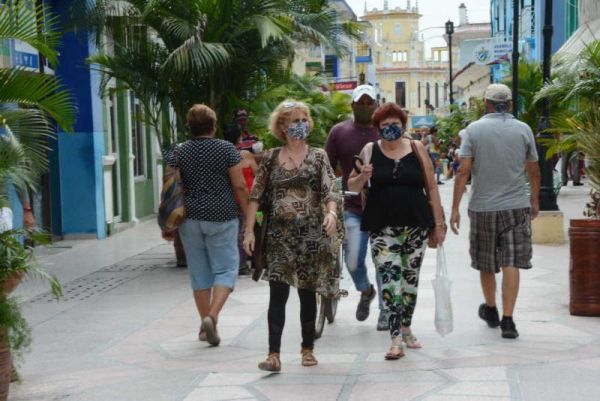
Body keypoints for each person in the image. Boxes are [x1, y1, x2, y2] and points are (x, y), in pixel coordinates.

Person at [243, 100, 340, 372]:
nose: (301, 125)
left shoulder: (318, 156)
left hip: (310, 235)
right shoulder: (272, 158)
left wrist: (331, 213)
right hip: (279, 237)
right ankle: (273, 354)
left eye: (304, 119)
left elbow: (330, 189)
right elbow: (255, 197)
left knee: (307, 294)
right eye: (295, 120)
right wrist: (249, 230)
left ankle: (307, 349)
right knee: (278, 294)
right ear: (282, 127)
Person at [348, 102, 446, 360]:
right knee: (390, 281)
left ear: (403, 125)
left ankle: (406, 327)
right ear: (377, 129)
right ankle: (394, 339)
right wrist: (363, 175)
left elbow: (432, 187)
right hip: (382, 227)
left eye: (395, 125)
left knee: (409, 282)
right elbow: (353, 186)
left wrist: (439, 223)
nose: (390, 129)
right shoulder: (369, 150)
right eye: (385, 126)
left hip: (416, 225)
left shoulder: (417, 148)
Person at [450, 84, 540, 339]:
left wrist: (455, 208)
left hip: (483, 207)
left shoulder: (473, 130)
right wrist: (534, 199)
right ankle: (508, 320)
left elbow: (463, 170)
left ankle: (491, 309)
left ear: (485, 103)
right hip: (516, 206)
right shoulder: (523, 129)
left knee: (486, 261)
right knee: (512, 261)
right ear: (509, 104)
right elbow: (533, 169)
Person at [162, 104, 249, 347]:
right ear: (213, 125)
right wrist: (249, 215)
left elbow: (169, 186)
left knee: (199, 273)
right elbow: (240, 186)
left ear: (189, 126)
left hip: (189, 219)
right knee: (226, 269)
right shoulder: (226, 149)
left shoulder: (178, 152)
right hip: (222, 216)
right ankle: (212, 317)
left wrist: (167, 221)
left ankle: (204, 327)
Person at [325, 84, 388, 331]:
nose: (364, 106)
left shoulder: (385, 132)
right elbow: (328, 167)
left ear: (376, 105)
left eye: (368, 102)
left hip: (383, 206)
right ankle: (366, 290)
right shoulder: (339, 132)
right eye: (360, 102)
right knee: (352, 260)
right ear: (352, 105)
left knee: (384, 261)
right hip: (351, 204)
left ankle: (385, 311)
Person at [224, 125, 258, 276]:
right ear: (239, 138)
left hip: (229, 198)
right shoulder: (245, 155)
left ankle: (238, 262)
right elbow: (258, 175)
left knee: (235, 231)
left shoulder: (222, 154)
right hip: (248, 198)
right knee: (247, 228)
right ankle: (244, 263)